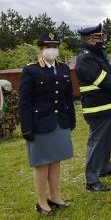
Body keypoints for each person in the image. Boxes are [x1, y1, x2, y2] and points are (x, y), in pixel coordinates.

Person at [18, 33, 75, 215]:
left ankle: (55, 196)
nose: (52, 50)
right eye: (48, 46)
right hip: (40, 123)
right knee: (42, 163)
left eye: (55, 46)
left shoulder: (64, 68)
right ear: (41, 49)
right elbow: (24, 102)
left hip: (59, 122)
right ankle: (41, 201)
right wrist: (26, 127)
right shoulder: (31, 70)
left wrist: (71, 119)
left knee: (56, 160)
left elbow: (68, 97)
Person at [76, 24, 111, 192]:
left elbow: (108, 76)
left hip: (107, 106)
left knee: (105, 141)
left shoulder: (97, 54)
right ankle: (91, 180)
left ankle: (105, 167)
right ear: (90, 39)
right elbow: (101, 79)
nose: (101, 40)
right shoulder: (86, 57)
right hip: (97, 108)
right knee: (96, 143)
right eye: (99, 37)